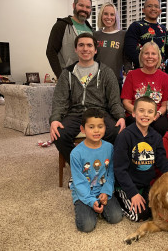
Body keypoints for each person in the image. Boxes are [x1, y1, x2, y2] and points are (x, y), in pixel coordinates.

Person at [50, 32, 126, 165]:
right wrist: (55, 119)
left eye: (89, 45)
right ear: (76, 49)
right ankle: (80, 166)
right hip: (75, 113)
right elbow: (59, 101)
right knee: (59, 134)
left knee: (116, 131)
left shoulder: (106, 72)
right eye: (81, 45)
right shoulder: (66, 73)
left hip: (99, 113)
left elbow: (114, 100)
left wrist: (120, 116)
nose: (85, 49)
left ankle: (104, 163)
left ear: (95, 50)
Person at [113, 96, 168, 222]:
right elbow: (119, 170)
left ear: (155, 115)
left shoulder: (156, 137)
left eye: (150, 112)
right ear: (134, 113)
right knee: (140, 216)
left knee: (159, 209)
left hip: (146, 185)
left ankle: (140, 196)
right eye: (141, 111)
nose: (145, 115)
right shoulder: (124, 137)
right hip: (126, 186)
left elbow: (161, 161)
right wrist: (133, 194)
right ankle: (118, 198)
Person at [70, 108, 123, 233]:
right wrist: (91, 201)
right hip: (83, 193)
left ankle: (97, 207)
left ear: (105, 127)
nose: (96, 130)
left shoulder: (109, 148)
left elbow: (111, 173)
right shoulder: (76, 153)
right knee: (87, 226)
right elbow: (79, 182)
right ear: (83, 129)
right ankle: (90, 208)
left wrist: (106, 192)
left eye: (100, 126)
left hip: (102, 190)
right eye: (91, 127)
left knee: (116, 217)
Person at [121, 41, 168, 136]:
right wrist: (141, 113)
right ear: (141, 56)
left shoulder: (164, 77)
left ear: (158, 57)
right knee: (135, 123)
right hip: (135, 114)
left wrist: (157, 114)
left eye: (153, 53)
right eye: (146, 53)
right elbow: (126, 103)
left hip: (156, 115)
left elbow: (165, 104)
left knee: (161, 125)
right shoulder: (131, 75)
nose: (150, 56)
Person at [46, 0, 93, 78]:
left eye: (87, 7)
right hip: (68, 77)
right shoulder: (61, 26)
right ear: (74, 6)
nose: (84, 9)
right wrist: (61, 76)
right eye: (81, 5)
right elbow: (50, 52)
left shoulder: (91, 30)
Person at [93, 2, 131, 92]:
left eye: (112, 14)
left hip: (116, 81)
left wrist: (129, 70)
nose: (109, 17)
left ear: (116, 17)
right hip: (98, 82)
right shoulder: (95, 35)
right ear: (101, 16)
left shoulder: (123, 35)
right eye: (105, 14)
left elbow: (126, 57)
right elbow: (92, 58)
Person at [124, 0, 168, 70]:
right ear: (143, 10)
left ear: (160, 11)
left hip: (159, 73)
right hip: (141, 71)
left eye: (156, 6)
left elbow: (167, 51)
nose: (153, 8)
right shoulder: (136, 26)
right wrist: (146, 66)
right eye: (149, 6)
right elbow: (130, 50)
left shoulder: (164, 30)